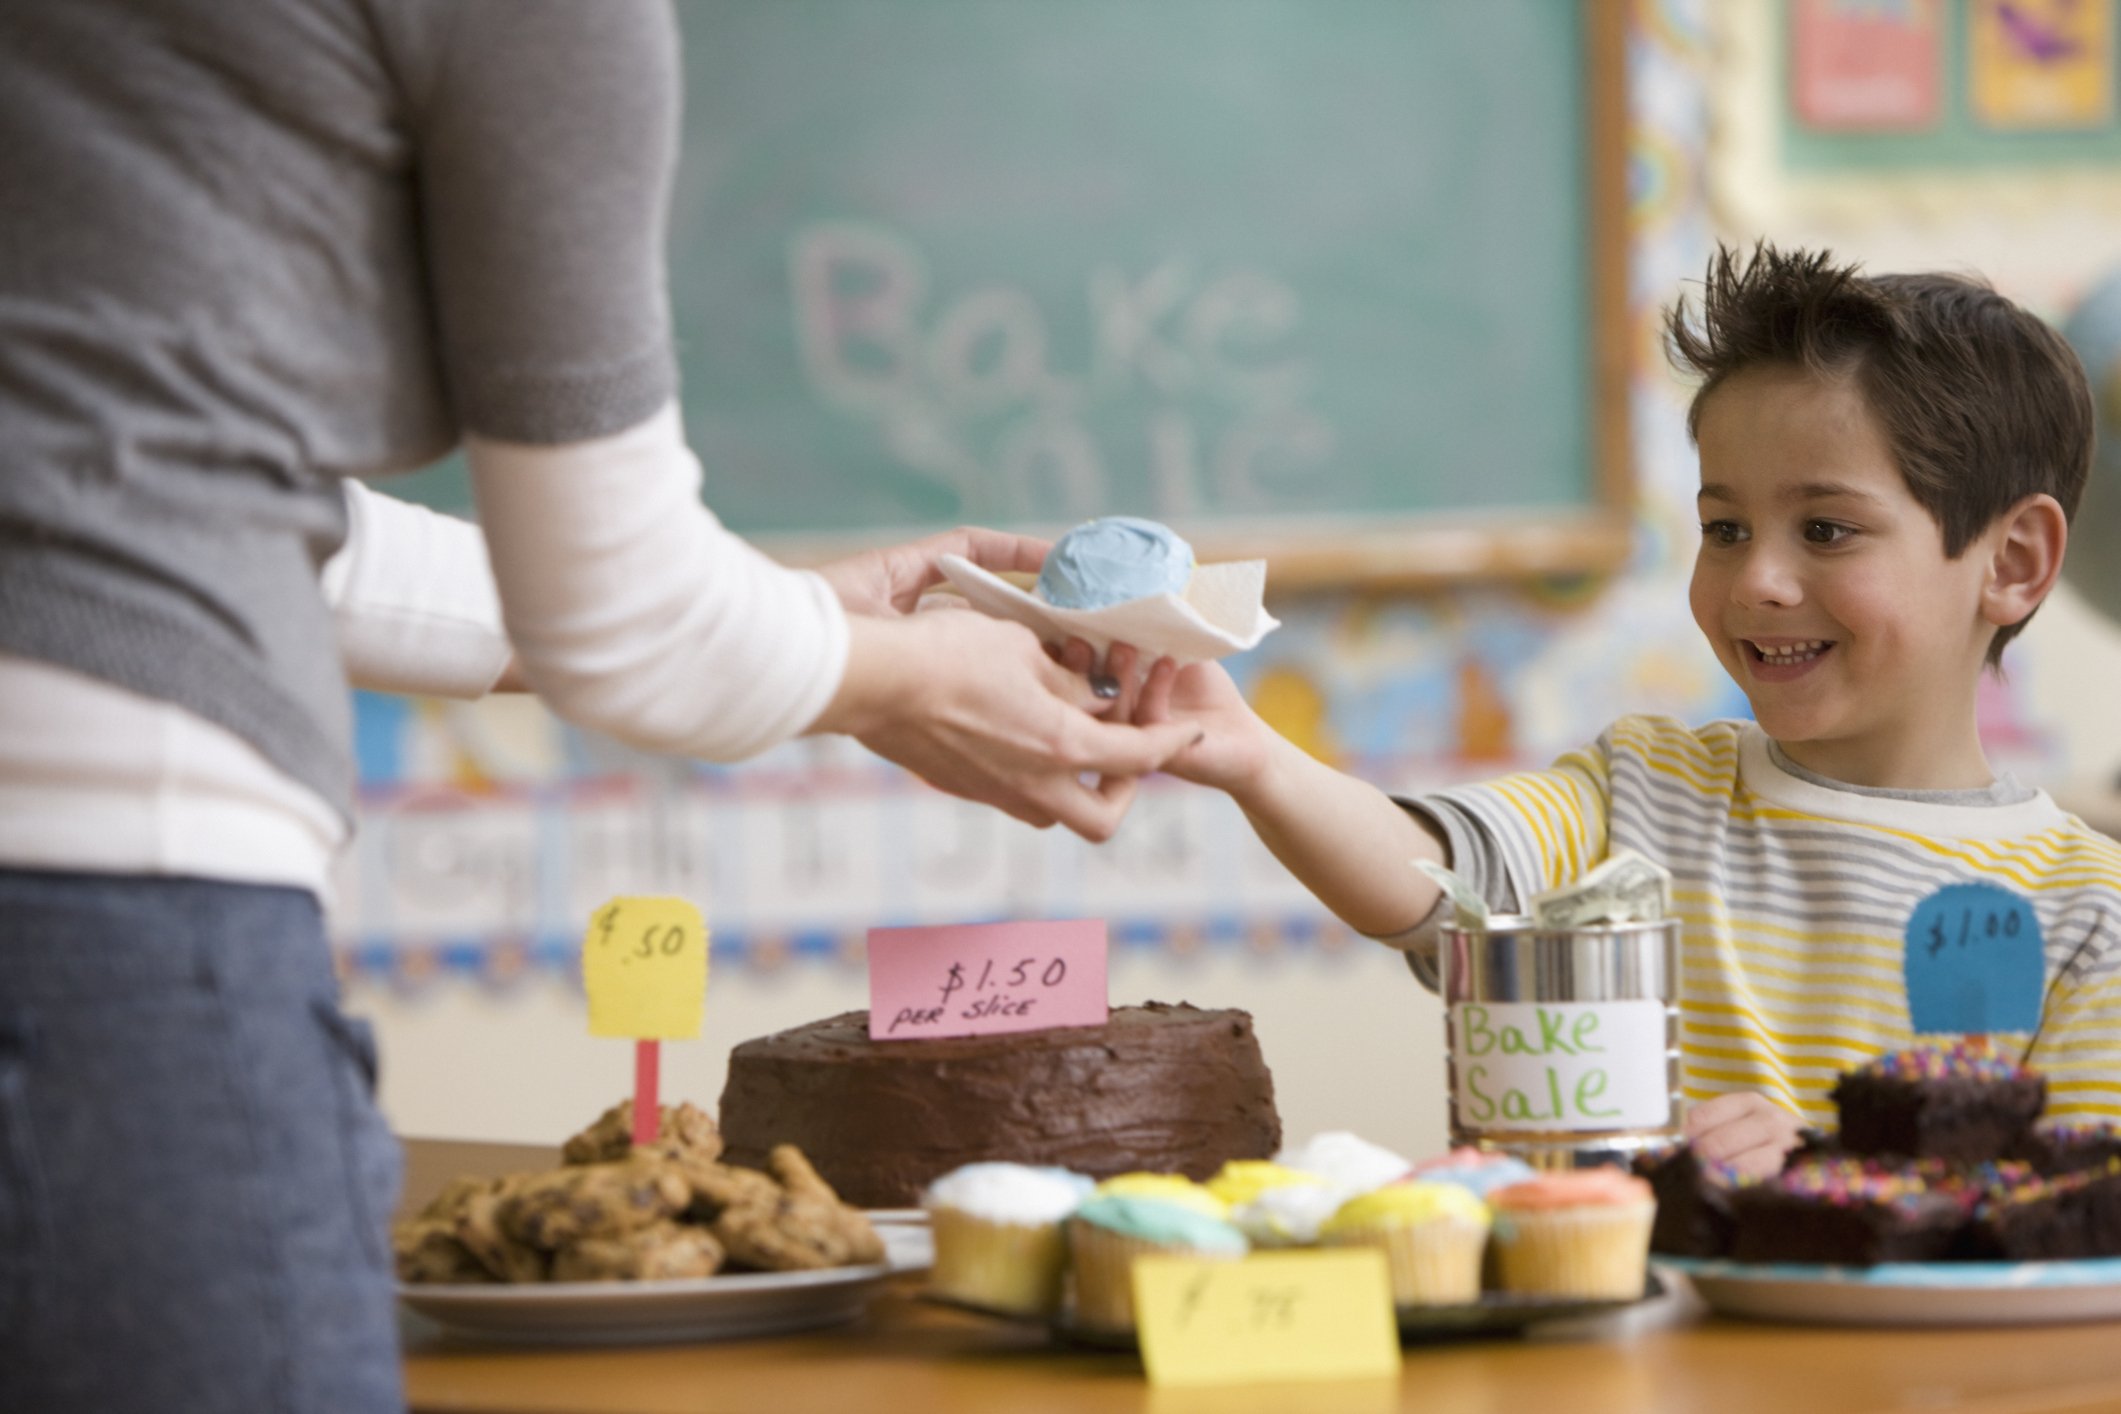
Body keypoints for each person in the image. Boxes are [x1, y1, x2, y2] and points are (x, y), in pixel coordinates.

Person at [0, 3, 1195, 1410]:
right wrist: (898, 673)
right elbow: (628, 625)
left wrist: (785, 614)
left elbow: (214, 500)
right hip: (93, 920)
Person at [1128, 242, 2121, 1180]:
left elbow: (2069, 1223)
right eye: (1724, 527)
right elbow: (1432, 879)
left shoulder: (2088, 912)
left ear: (2014, 562)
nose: (1758, 580)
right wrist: (1253, 756)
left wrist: (1825, 1174)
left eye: (1825, 529)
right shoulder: (1644, 790)